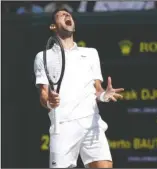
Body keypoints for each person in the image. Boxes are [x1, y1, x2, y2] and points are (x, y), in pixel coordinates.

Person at [34, 8, 124, 168]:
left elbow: (98, 89)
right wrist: (50, 102)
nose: (67, 15)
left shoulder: (91, 53)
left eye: (68, 14)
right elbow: (43, 95)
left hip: (91, 123)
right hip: (62, 127)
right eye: (61, 15)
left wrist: (104, 95)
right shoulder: (43, 57)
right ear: (53, 26)